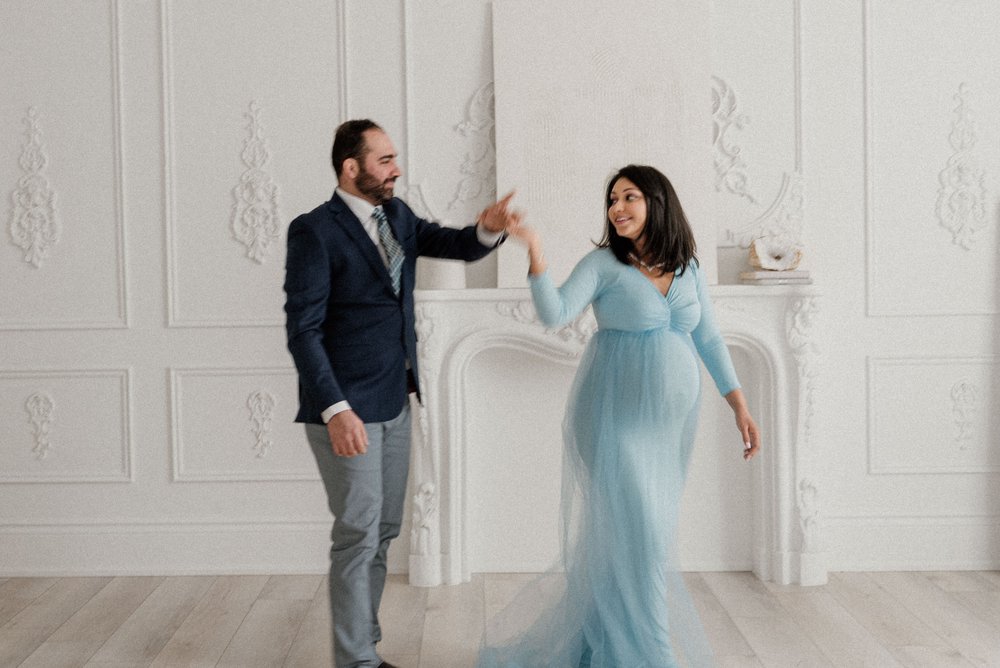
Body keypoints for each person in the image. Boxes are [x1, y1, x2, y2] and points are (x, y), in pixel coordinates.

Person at [478, 164, 761, 667]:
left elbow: (709, 338)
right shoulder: (605, 263)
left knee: (632, 543)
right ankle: (653, 659)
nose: (617, 208)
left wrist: (738, 403)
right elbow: (556, 312)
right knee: (647, 540)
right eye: (612, 200)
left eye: (629, 197)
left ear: (657, 202)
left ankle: (601, 648)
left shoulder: (688, 267)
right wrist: (536, 248)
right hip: (613, 422)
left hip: (669, 431)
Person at [284, 118, 518, 668]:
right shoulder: (313, 230)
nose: (397, 168)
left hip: (395, 398)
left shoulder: (398, 216)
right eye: (385, 160)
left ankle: (363, 645)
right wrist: (335, 408)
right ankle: (356, 662)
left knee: (384, 531)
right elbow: (304, 330)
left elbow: (457, 246)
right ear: (351, 167)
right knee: (357, 534)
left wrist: (486, 228)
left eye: (394, 159)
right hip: (345, 409)